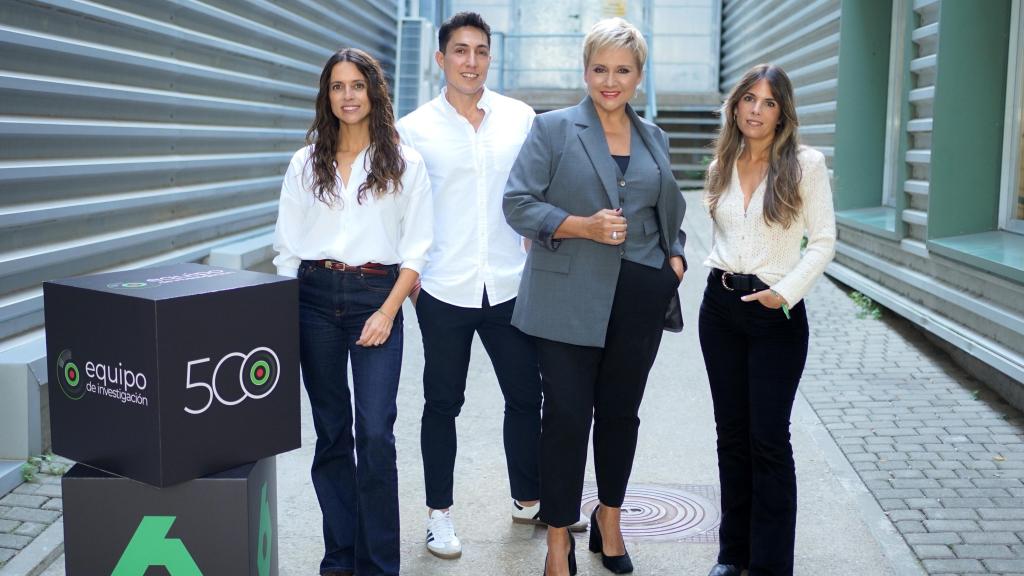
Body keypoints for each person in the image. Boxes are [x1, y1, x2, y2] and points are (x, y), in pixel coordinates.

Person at [397, 11, 586, 560]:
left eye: (480, 51)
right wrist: (411, 279)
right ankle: (439, 516)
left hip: (509, 285)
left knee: (528, 398)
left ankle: (529, 498)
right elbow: (403, 210)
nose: (471, 61)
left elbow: (543, 186)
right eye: (460, 51)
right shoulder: (415, 129)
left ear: (489, 58)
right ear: (441, 59)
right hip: (443, 288)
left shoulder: (520, 117)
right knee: (442, 403)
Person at [503, 17, 686, 576]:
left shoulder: (654, 137)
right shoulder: (553, 129)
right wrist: (579, 225)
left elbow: (669, 211)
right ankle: (558, 536)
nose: (611, 81)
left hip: (640, 295)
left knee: (620, 415)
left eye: (623, 70)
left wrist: (674, 258)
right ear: (585, 71)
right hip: (567, 297)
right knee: (564, 416)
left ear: (638, 76)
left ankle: (610, 518)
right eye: (600, 68)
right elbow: (518, 203)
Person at [272, 48, 432, 576]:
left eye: (357, 85)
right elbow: (286, 252)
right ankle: (340, 558)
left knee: (376, 433)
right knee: (332, 432)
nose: (348, 96)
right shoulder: (305, 162)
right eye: (338, 86)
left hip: (376, 296)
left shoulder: (404, 162)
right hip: (315, 299)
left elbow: (417, 251)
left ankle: (379, 564)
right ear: (327, 95)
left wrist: (387, 312)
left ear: (374, 92)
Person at [699, 64, 836, 576]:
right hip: (720, 309)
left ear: (783, 112)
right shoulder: (721, 162)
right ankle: (733, 556)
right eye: (749, 99)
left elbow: (823, 241)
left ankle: (771, 564)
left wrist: (784, 292)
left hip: (776, 312)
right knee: (730, 435)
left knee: (768, 439)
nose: (757, 110)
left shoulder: (805, 164)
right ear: (735, 105)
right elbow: (724, 239)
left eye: (769, 102)